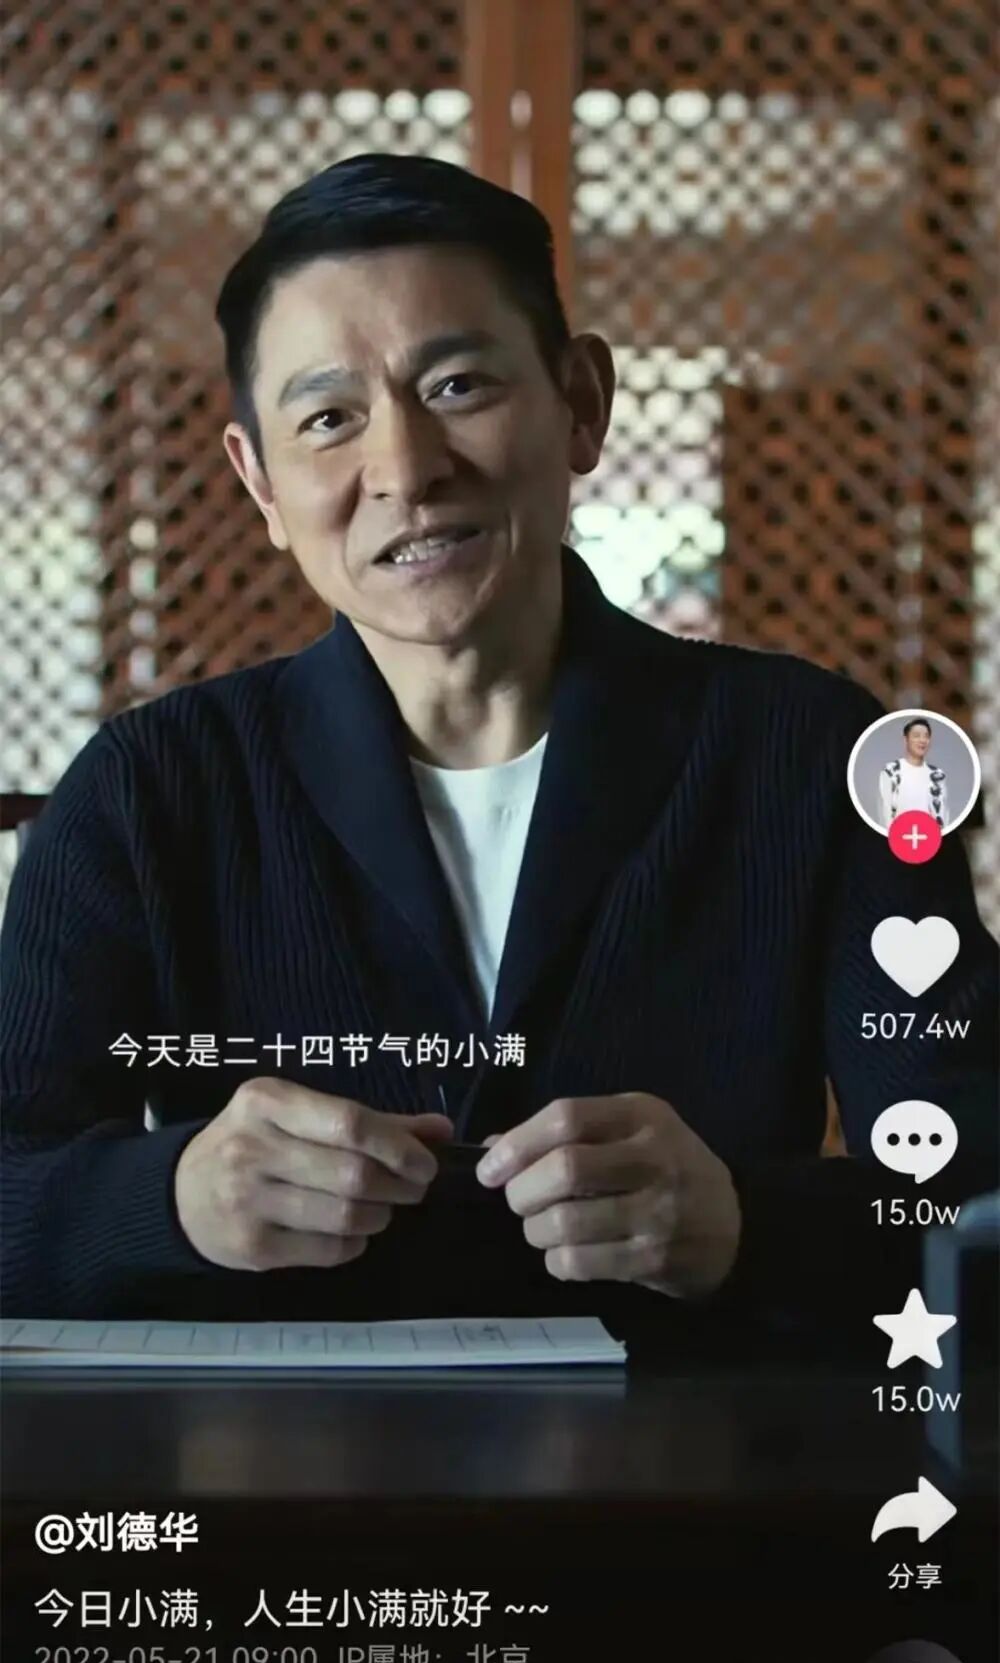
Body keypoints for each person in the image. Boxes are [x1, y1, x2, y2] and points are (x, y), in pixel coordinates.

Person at [1, 154, 997, 1344]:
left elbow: (973, 1200)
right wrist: (171, 1200)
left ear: (580, 403)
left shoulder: (815, 758)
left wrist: (743, 1224)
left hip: (700, 1455)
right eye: (328, 419)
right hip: (268, 1457)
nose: (406, 470)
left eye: (459, 385)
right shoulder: (148, 789)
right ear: (258, 481)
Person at [878, 718, 949, 828]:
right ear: (905, 739)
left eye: (926, 736)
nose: (922, 740)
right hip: (898, 834)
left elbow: (943, 813)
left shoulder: (937, 775)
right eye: (917, 736)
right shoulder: (891, 772)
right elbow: (885, 811)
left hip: (930, 834)